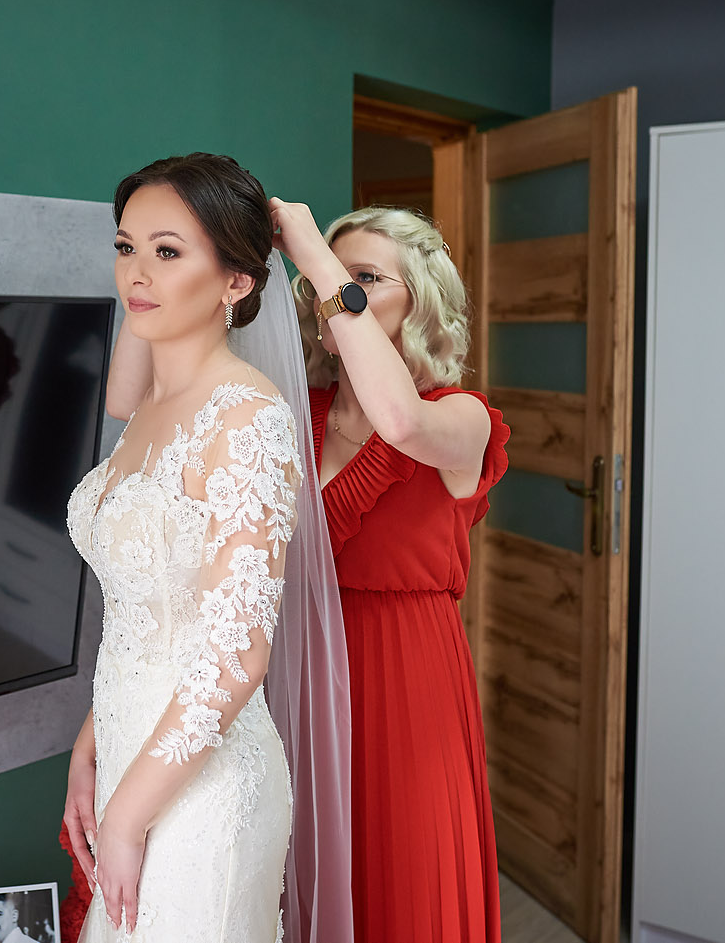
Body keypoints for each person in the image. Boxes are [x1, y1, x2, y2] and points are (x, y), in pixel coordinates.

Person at [63, 153, 299, 940]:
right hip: (131, 749)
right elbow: (149, 616)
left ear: (236, 281)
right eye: (125, 246)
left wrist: (128, 816)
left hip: (205, 791)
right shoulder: (146, 411)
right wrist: (92, 742)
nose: (137, 271)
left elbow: (236, 653)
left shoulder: (247, 419)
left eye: (168, 251)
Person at [271, 201, 510, 943]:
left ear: (421, 302)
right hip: (292, 677)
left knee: (404, 881)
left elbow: (400, 424)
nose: (334, 291)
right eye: (326, 280)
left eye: (363, 278)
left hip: (407, 680)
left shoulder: (462, 417)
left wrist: (313, 252)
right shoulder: (290, 415)